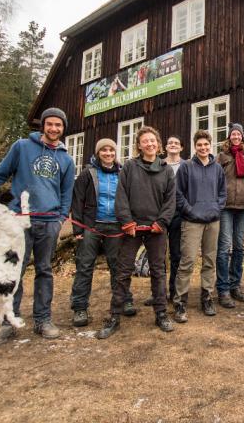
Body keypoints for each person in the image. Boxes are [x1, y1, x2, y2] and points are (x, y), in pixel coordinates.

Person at [0, 108, 75, 346]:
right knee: (14, 272)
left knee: (44, 270)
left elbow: (66, 193)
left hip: (49, 222)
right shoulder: (22, 147)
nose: (54, 129)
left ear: (63, 129)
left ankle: (43, 319)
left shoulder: (66, 159)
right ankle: (8, 322)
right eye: (50, 124)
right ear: (43, 126)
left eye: (59, 126)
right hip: (19, 221)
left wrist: (60, 218)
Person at [97, 126, 176, 338]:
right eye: (145, 141)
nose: (149, 144)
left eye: (153, 141)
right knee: (123, 272)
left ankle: (161, 314)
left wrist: (161, 222)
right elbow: (121, 197)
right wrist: (127, 221)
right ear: (139, 145)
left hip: (156, 230)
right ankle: (114, 316)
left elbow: (170, 201)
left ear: (158, 144)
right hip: (131, 229)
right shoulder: (130, 167)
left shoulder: (167, 170)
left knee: (158, 272)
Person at [69, 138, 136, 328]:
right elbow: (77, 201)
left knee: (119, 267)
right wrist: (77, 229)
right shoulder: (87, 173)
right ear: (98, 153)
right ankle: (80, 307)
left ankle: (124, 300)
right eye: (104, 150)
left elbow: (129, 199)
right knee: (84, 266)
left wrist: (129, 222)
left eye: (111, 150)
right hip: (92, 226)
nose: (108, 153)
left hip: (116, 227)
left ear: (116, 153)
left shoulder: (123, 173)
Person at [173, 129, 226, 323]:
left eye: (206, 144)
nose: (203, 148)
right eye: (199, 145)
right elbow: (178, 194)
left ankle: (207, 298)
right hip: (192, 222)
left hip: (212, 221)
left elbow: (222, 194)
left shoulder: (218, 168)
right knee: (187, 262)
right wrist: (191, 211)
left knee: (210, 261)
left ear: (210, 145)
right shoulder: (186, 167)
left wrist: (216, 209)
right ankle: (180, 302)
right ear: (195, 147)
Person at [215, 123, 244, 308]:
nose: (236, 136)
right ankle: (223, 289)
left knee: (239, 247)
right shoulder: (221, 157)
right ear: (229, 137)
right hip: (226, 207)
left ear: (242, 137)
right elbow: (215, 181)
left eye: (239, 134)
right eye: (233, 134)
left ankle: (235, 285)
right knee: (224, 247)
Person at [144, 134, 184, 305]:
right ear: (165, 147)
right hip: (158, 215)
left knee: (176, 255)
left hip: (178, 216)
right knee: (158, 257)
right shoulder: (158, 164)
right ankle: (158, 294)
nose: (173, 145)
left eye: (176, 143)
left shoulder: (187, 166)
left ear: (181, 147)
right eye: (170, 143)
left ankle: (174, 292)